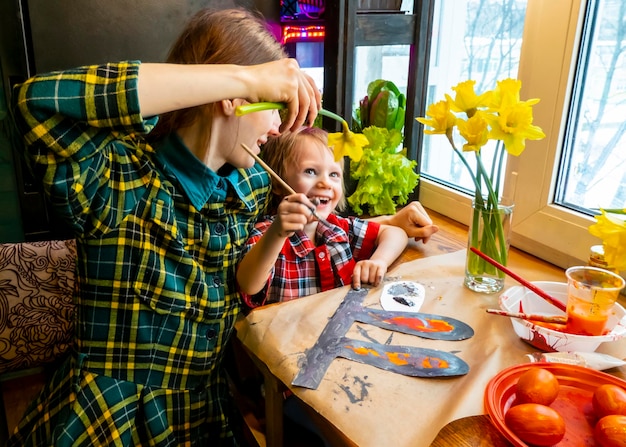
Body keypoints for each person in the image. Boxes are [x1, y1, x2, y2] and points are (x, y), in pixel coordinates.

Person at [8, 8, 321, 447]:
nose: (276, 128)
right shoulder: (121, 178)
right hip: (112, 419)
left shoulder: (248, 186)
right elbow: (33, 102)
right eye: (273, 106)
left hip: (204, 412)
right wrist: (244, 78)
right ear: (234, 98)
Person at [236, 126, 409, 307]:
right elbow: (249, 285)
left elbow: (396, 233)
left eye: (334, 174)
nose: (325, 183)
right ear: (278, 183)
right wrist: (277, 232)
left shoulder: (336, 228)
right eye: (310, 171)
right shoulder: (268, 233)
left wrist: (378, 261)